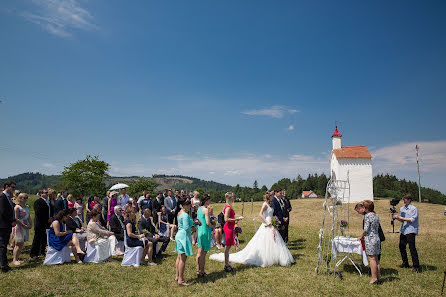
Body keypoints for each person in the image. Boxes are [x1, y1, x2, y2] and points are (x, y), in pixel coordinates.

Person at [210, 191, 293, 267]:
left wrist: (275, 221)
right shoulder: (265, 204)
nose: (273, 198)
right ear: (269, 197)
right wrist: (266, 222)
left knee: (275, 241)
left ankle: (276, 257)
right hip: (266, 224)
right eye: (271, 196)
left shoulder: (271, 204)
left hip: (272, 224)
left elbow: (271, 214)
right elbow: (260, 214)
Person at [216, 192, 243, 272]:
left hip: (230, 227)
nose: (234, 199)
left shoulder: (227, 206)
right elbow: (226, 219)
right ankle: (227, 265)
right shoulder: (228, 207)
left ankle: (227, 263)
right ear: (231, 199)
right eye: (233, 198)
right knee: (227, 248)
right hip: (228, 228)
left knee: (228, 247)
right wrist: (236, 219)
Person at [393, 193, 421, 273]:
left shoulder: (413, 209)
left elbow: (412, 220)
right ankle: (405, 263)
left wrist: (400, 217)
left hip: (411, 230)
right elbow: (402, 220)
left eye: (405, 199)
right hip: (404, 230)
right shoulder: (402, 209)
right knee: (401, 246)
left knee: (412, 248)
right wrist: (397, 218)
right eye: (403, 199)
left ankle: (416, 266)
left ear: (409, 200)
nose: (404, 200)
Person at [358, 200, 381, 284]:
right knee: (376, 259)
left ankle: (374, 278)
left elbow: (366, 229)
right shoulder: (376, 215)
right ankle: (378, 277)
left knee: (372, 259)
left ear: (366, 208)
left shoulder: (367, 216)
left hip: (370, 239)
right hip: (376, 237)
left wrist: (362, 236)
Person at [175, 197, 196, 286]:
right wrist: (194, 228)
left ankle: (177, 276)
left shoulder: (180, 213)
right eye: (188, 205)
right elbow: (187, 228)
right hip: (183, 236)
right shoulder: (185, 215)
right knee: (183, 258)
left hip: (179, 235)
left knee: (179, 257)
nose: (190, 206)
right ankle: (181, 279)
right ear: (184, 206)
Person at [196, 194, 215, 277]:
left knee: (199, 252)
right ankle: (202, 272)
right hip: (205, 231)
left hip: (199, 231)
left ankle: (198, 270)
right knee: (203, 253)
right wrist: (213, 226)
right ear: (206, 200)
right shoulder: (205, 210)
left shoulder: (199, 209)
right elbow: (207, 222)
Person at [0, 181, 17, 272]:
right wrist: (11, 221)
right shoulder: (2, 197)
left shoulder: (8, 198)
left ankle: (3, 264)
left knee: (3, 246)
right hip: (3, 225)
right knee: (3, 246)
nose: (14, 189)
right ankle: (4, 266)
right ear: (7, 186)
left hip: (6, 225)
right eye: (13, 187)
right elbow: (3, 212)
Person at [30, 188, 51, 259]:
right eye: (44, 193)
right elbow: (38, 213)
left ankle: (42, 251)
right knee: (37, 238)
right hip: (40, 222)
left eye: (47, 192)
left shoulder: (48, 201)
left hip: (47, 223)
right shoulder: (38, 202)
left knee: (44, 238)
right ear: (40, 194)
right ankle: (34, 253)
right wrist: (47, 219)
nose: (46, 194)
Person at [12, 193, 31, 266]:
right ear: (20, 198)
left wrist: (30, 224)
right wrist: (24, 225)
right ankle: (15, 259)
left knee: (22, 243)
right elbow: (16, 218)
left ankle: (17, 258)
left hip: (25, 225)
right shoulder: (17, 207)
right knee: (18, 244)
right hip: (19, 226)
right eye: (24, 198)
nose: (26, 199)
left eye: (26, 197)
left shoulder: (27, 207)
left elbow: (28, 216)